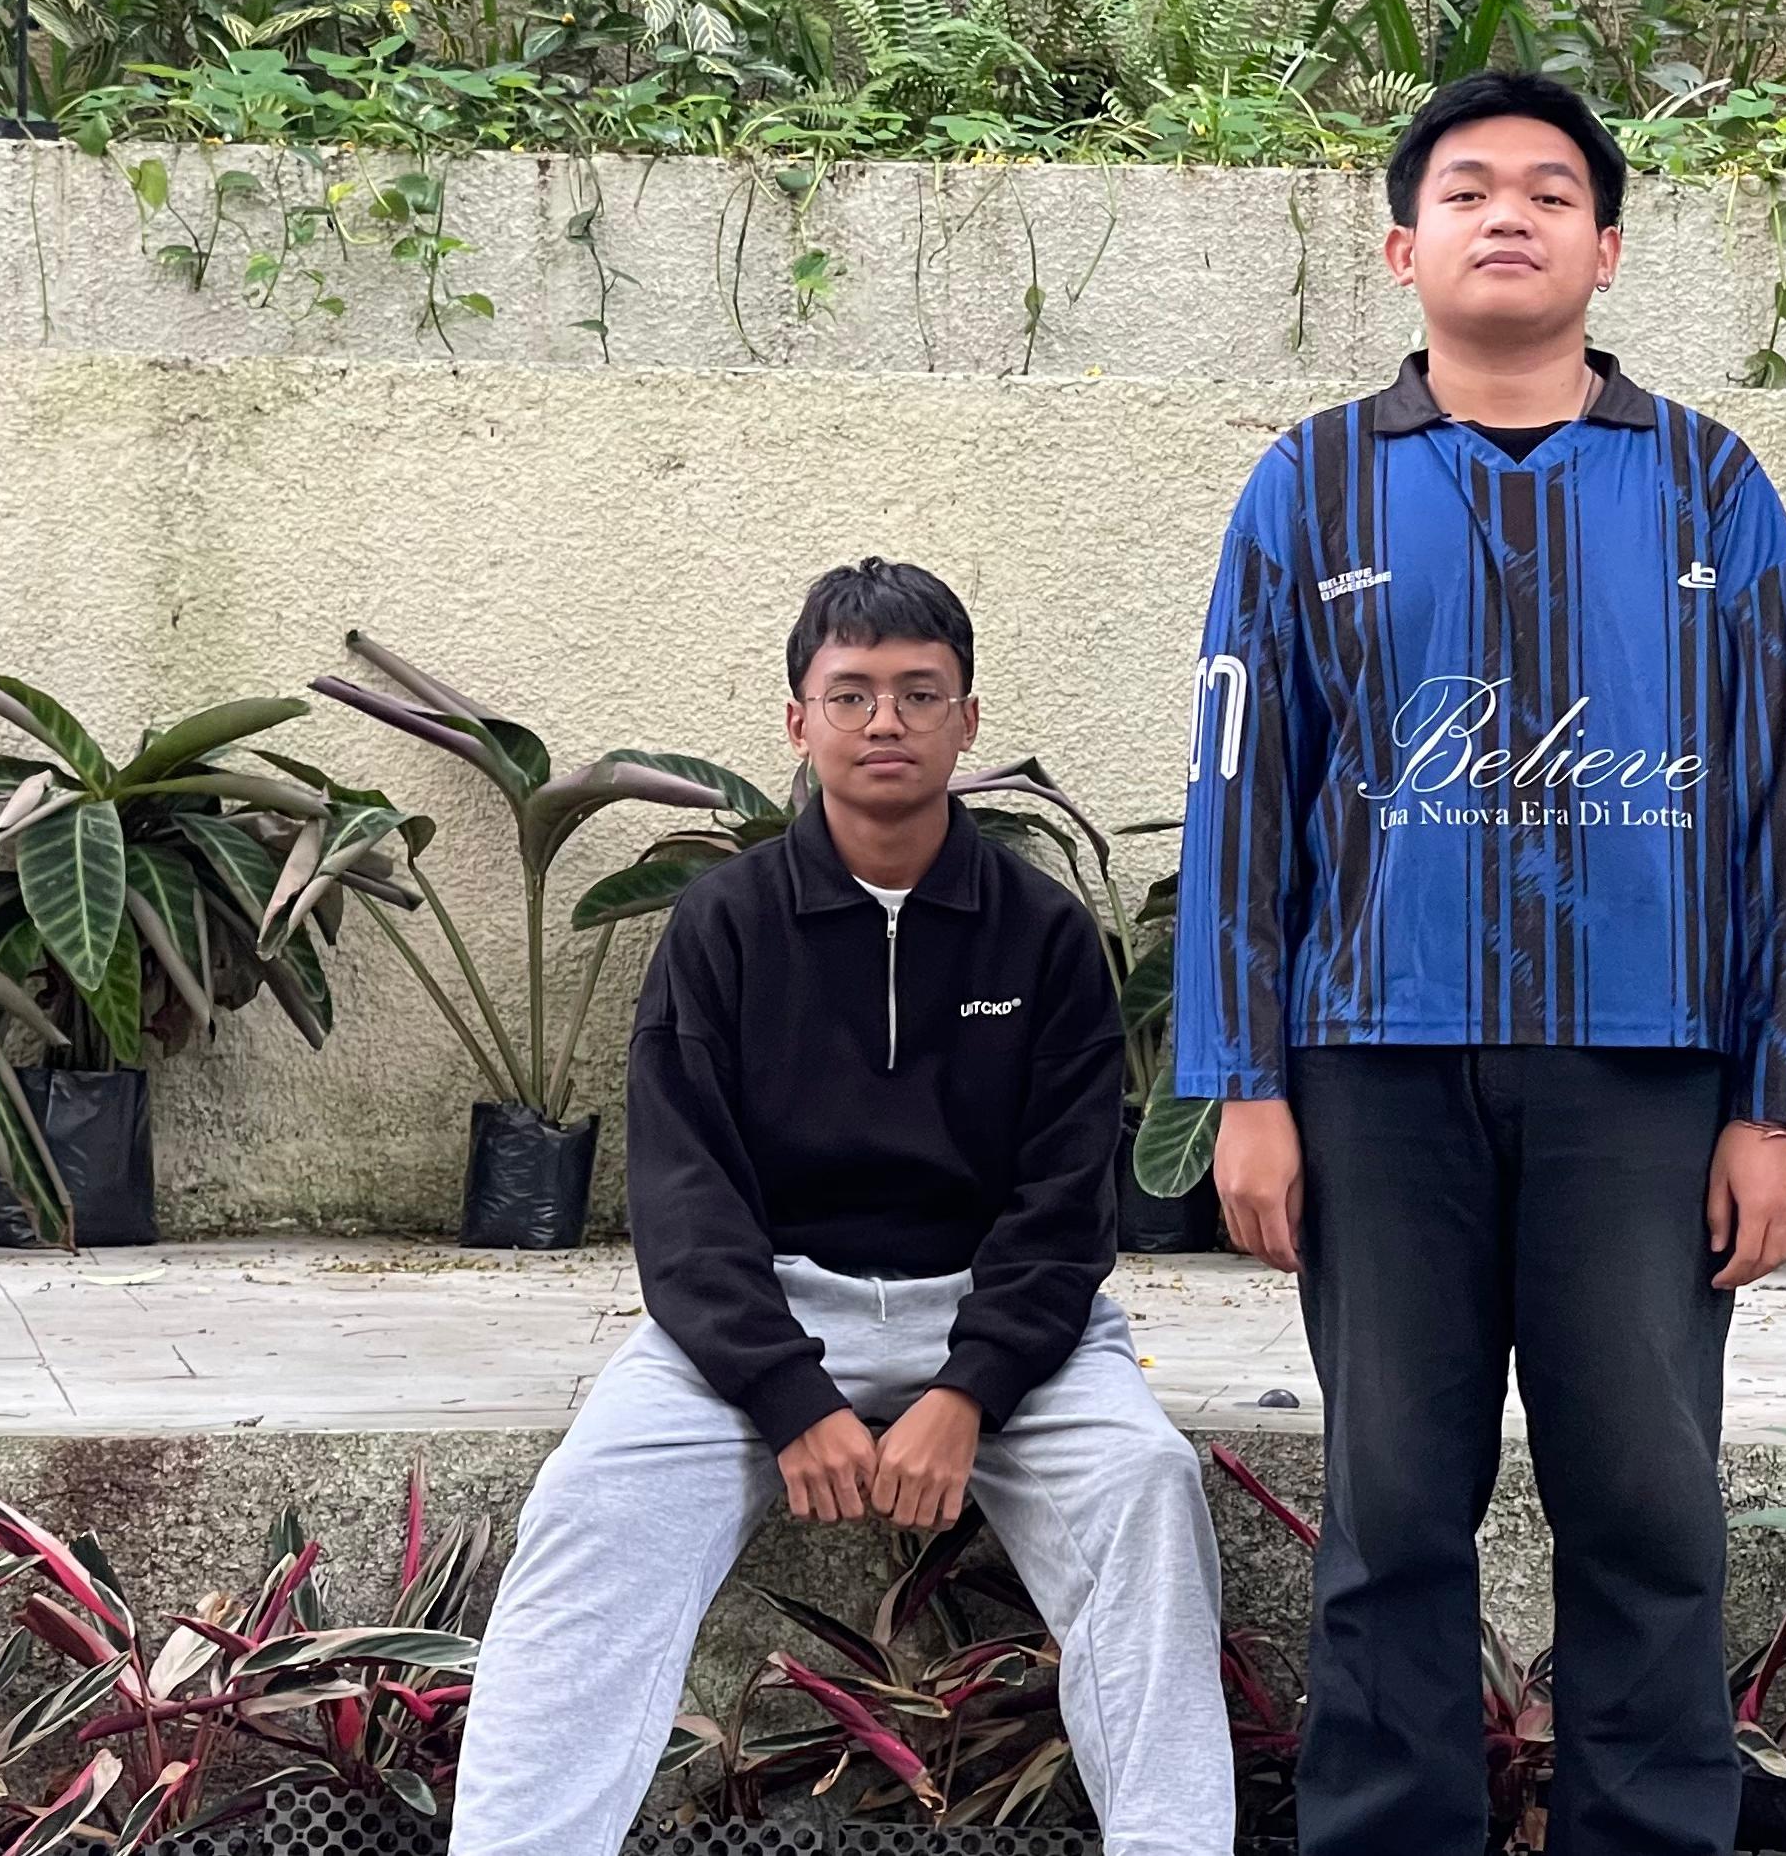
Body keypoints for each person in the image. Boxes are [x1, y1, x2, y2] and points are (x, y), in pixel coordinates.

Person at [1174, 71, 1786, 1856]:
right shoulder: (1308, 487)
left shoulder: (1711, 486)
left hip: (1645, 1074)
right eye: (1468, 190)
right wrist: (1243, 1084)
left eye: (1551, 194)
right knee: (1393, 1513)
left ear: (1606, 251)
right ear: (1401, 246)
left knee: (1645, 1505)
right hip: (1371, 1072)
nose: (1509, 216)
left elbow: (1785, 802)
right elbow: (1241, 800)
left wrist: (1775, 1105)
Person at [456, 559, 1234, 1856]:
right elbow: (685, 1201)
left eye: (920, 694)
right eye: (852, 693)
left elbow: (1063, 1208)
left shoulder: (1043, 935)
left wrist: (969, 1391)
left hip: (1002, 1325)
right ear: (797, 720)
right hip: (765, 1314)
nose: (886, 722)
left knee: (1149, 1485)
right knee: (591, 1501)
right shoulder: (721, 927)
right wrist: (786, 1394)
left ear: (966, 720)